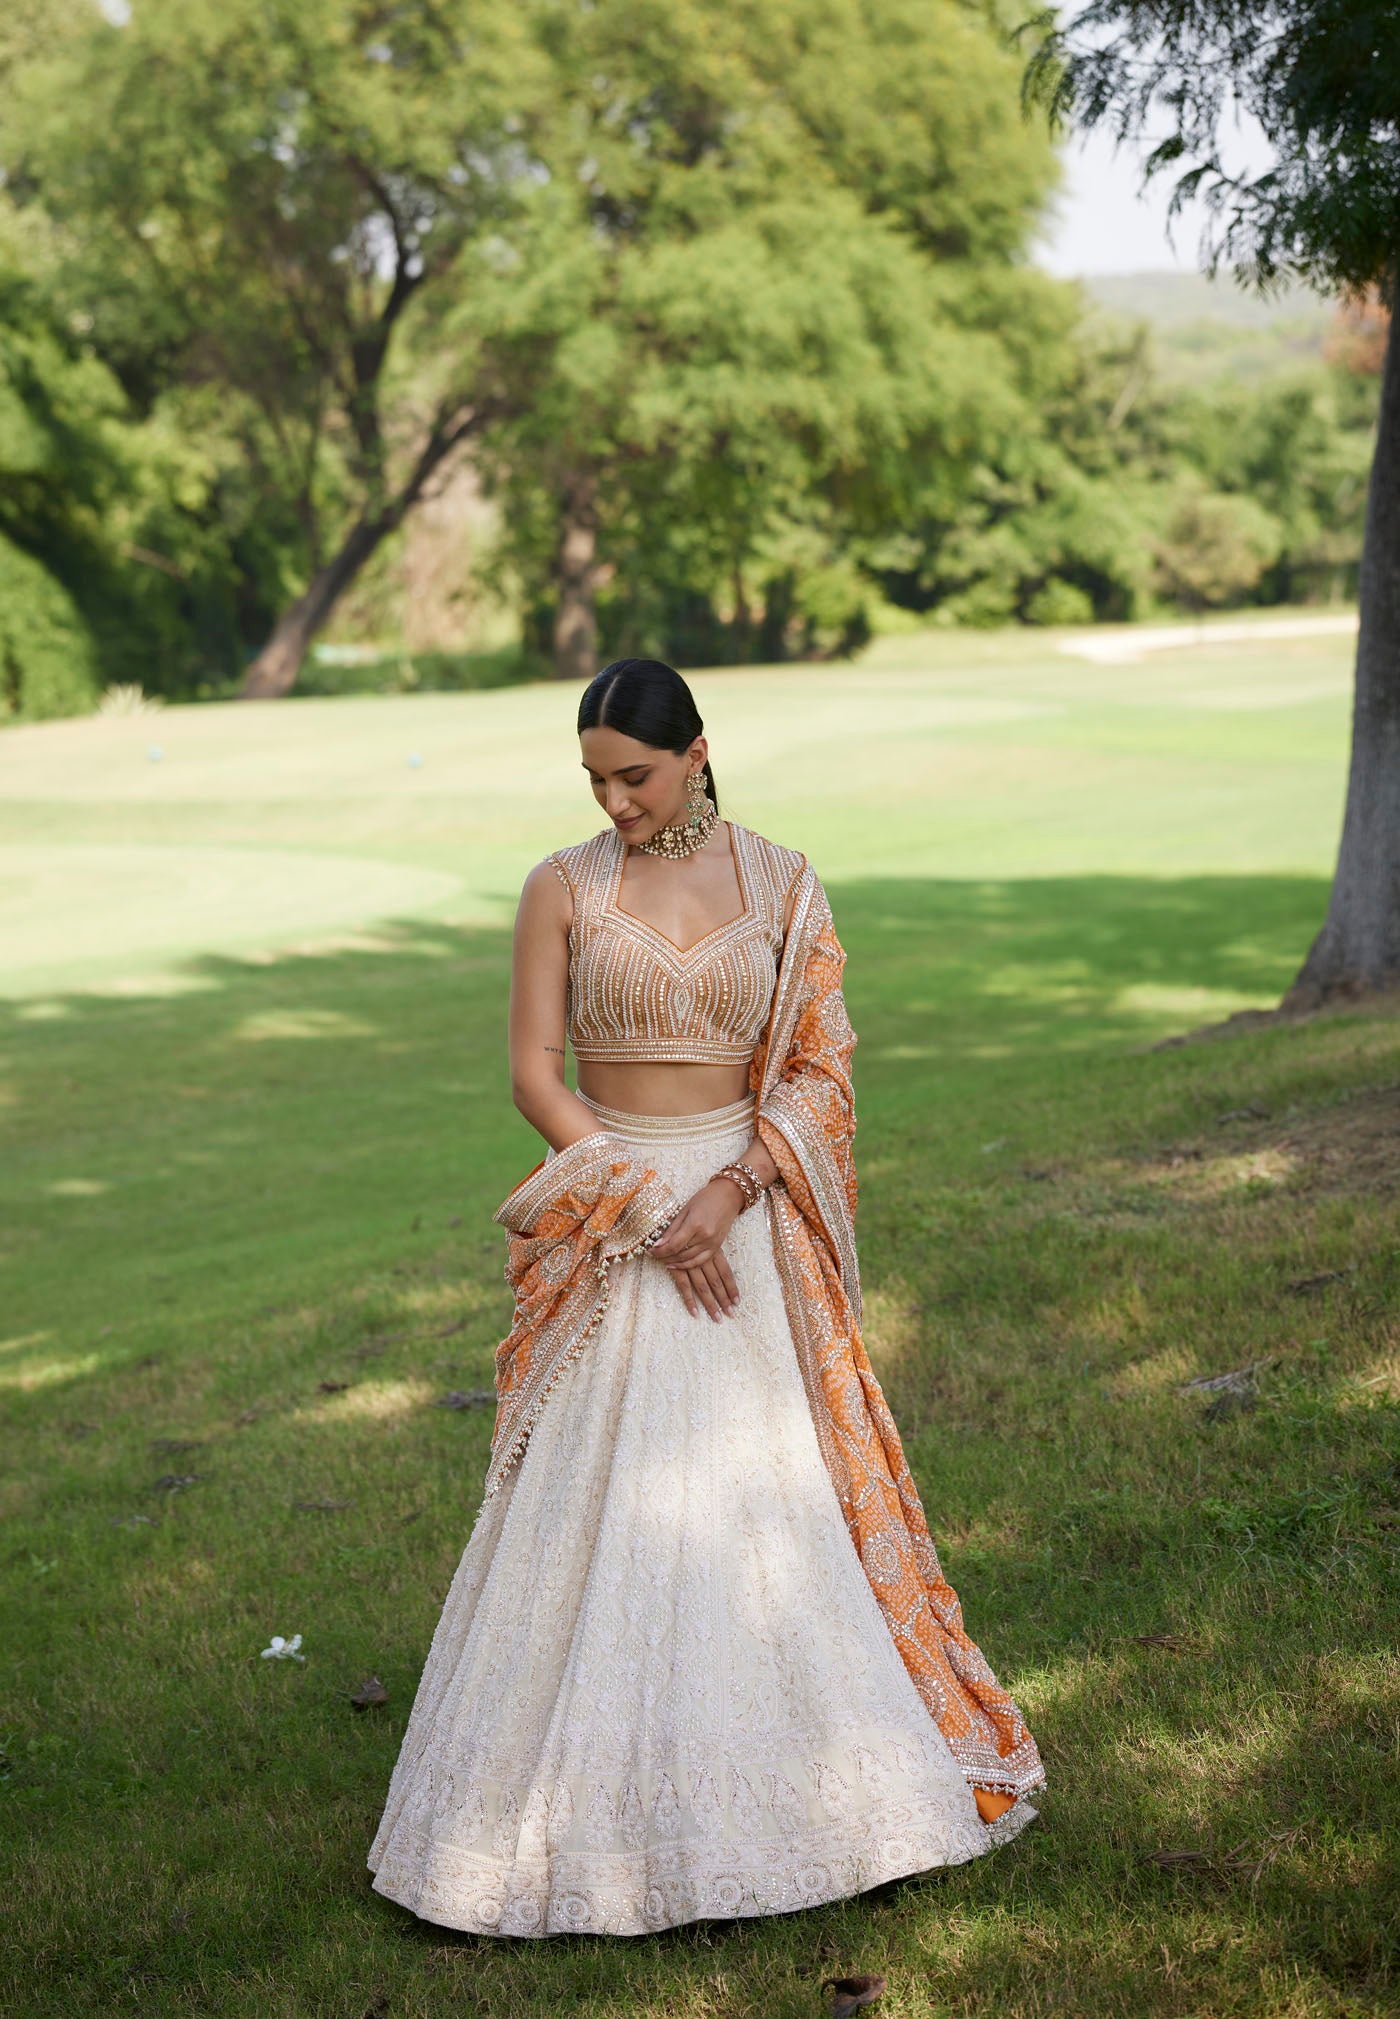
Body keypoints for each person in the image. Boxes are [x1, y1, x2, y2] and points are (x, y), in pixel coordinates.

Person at [369, 658, 1043, 1938]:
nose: (614, 802)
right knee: (600, 1508)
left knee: (774, 1501)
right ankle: (561, 1824)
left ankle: (841, 1804)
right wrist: (638, 1206)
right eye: (594, 780)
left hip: (746, 1219)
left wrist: (728, 1194)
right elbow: (532, 1075)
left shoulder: (784, 884)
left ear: (695, 753)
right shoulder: (561, 886)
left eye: (634, 775)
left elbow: (817, 1069)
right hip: (616, 1211)